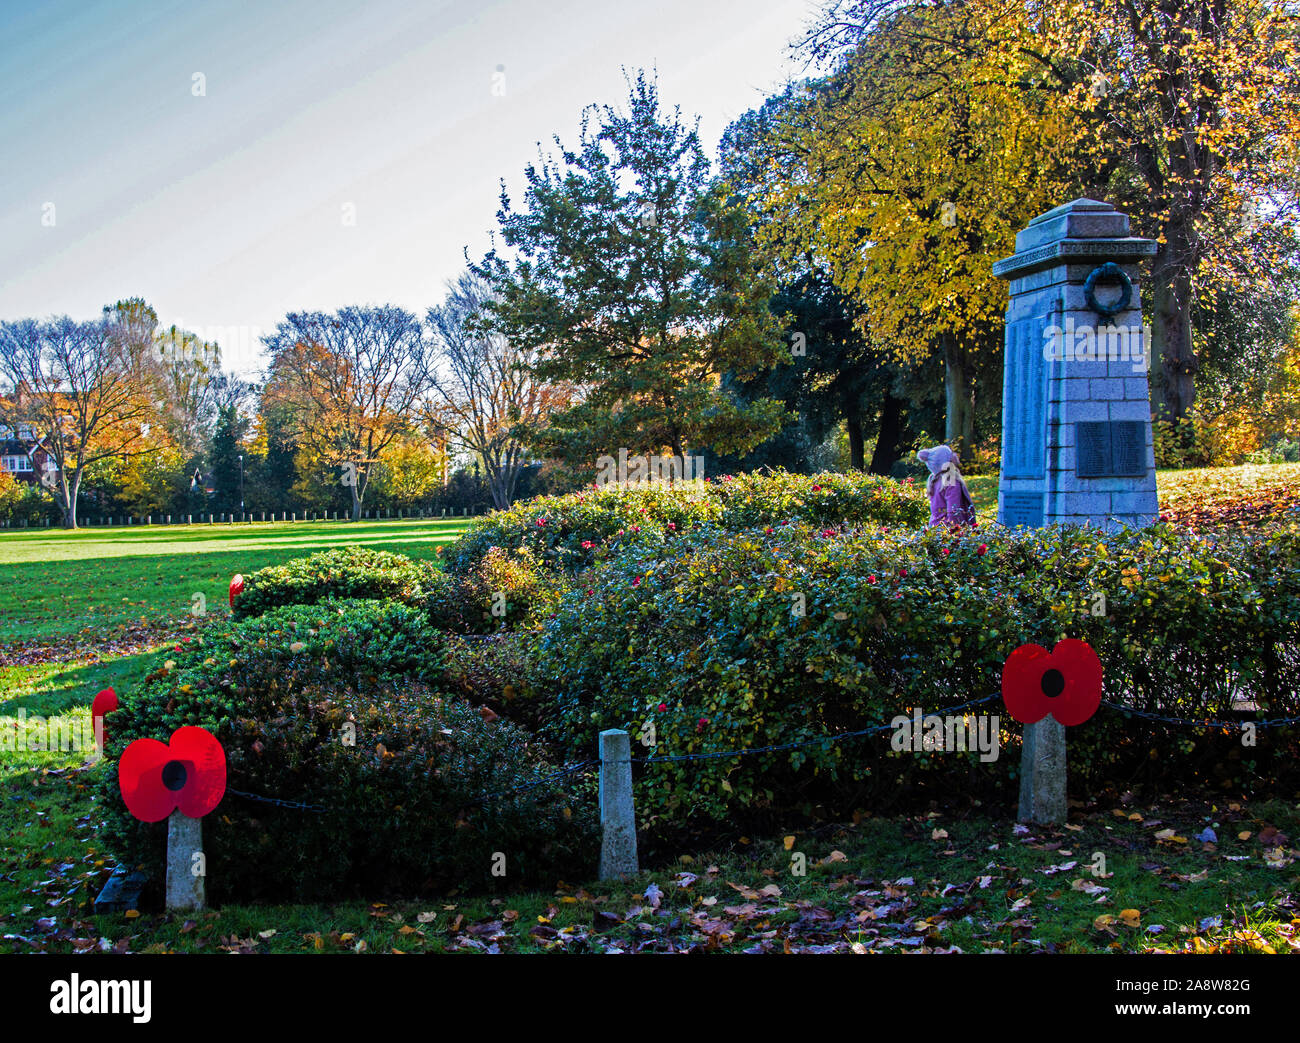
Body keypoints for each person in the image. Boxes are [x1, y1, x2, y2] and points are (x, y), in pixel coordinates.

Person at [917, 444, 977, 528]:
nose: (955, 455)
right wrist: (957, 532)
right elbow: (953, 511)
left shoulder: (935, 480)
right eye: (951, 454)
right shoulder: (951, 482)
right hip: (948, 531)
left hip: (935, 527)